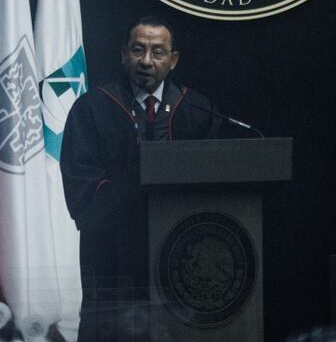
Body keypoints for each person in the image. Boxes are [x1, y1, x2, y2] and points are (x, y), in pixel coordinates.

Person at [61, 15, 223, 296]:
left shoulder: (196, 109)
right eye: (138, 50)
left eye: (157, 52)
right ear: (124, 56)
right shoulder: (93, 108)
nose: (146, 61)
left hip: (183, 253)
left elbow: (215, 180)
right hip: (113, 252)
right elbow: (81, 179)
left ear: (173, 60)